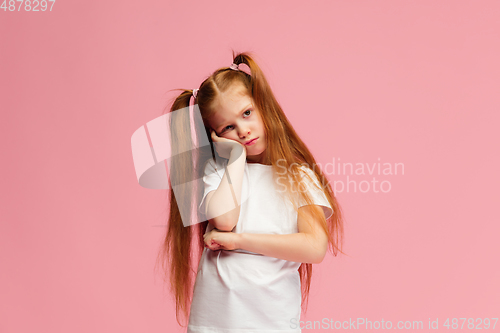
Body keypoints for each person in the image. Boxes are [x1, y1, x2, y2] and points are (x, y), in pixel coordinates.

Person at [155, 51, 345, 332]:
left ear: (263, 106)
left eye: (247, 113)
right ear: (215, 136)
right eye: (228, 127)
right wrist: (235, 159)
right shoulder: (219, 173)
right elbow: (224, 221)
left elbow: (314, 247)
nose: (243, 131)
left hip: (270, 317)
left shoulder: (298, 176)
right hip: (216, 318)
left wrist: (239, 241)